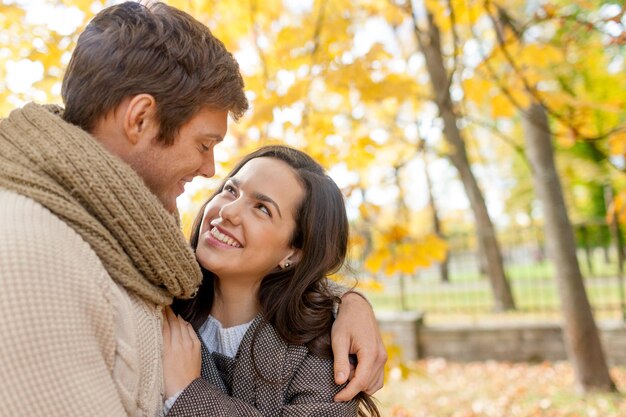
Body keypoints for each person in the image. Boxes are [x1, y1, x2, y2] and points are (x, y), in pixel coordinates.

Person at [0, 2, 385, 417]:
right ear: (140, 118)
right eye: (204, 146)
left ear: (295, 251)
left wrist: (346, 303)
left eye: (262, 208)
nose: (209, 171)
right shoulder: (33, 258)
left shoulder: (145, 252)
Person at [161, 145, 381, 416]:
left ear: (294, 252)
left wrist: (188, 394)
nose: (229, 211)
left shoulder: (323, 349)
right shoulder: (162, 295)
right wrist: (351, 299)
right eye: (231, 190)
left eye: (262, 208)